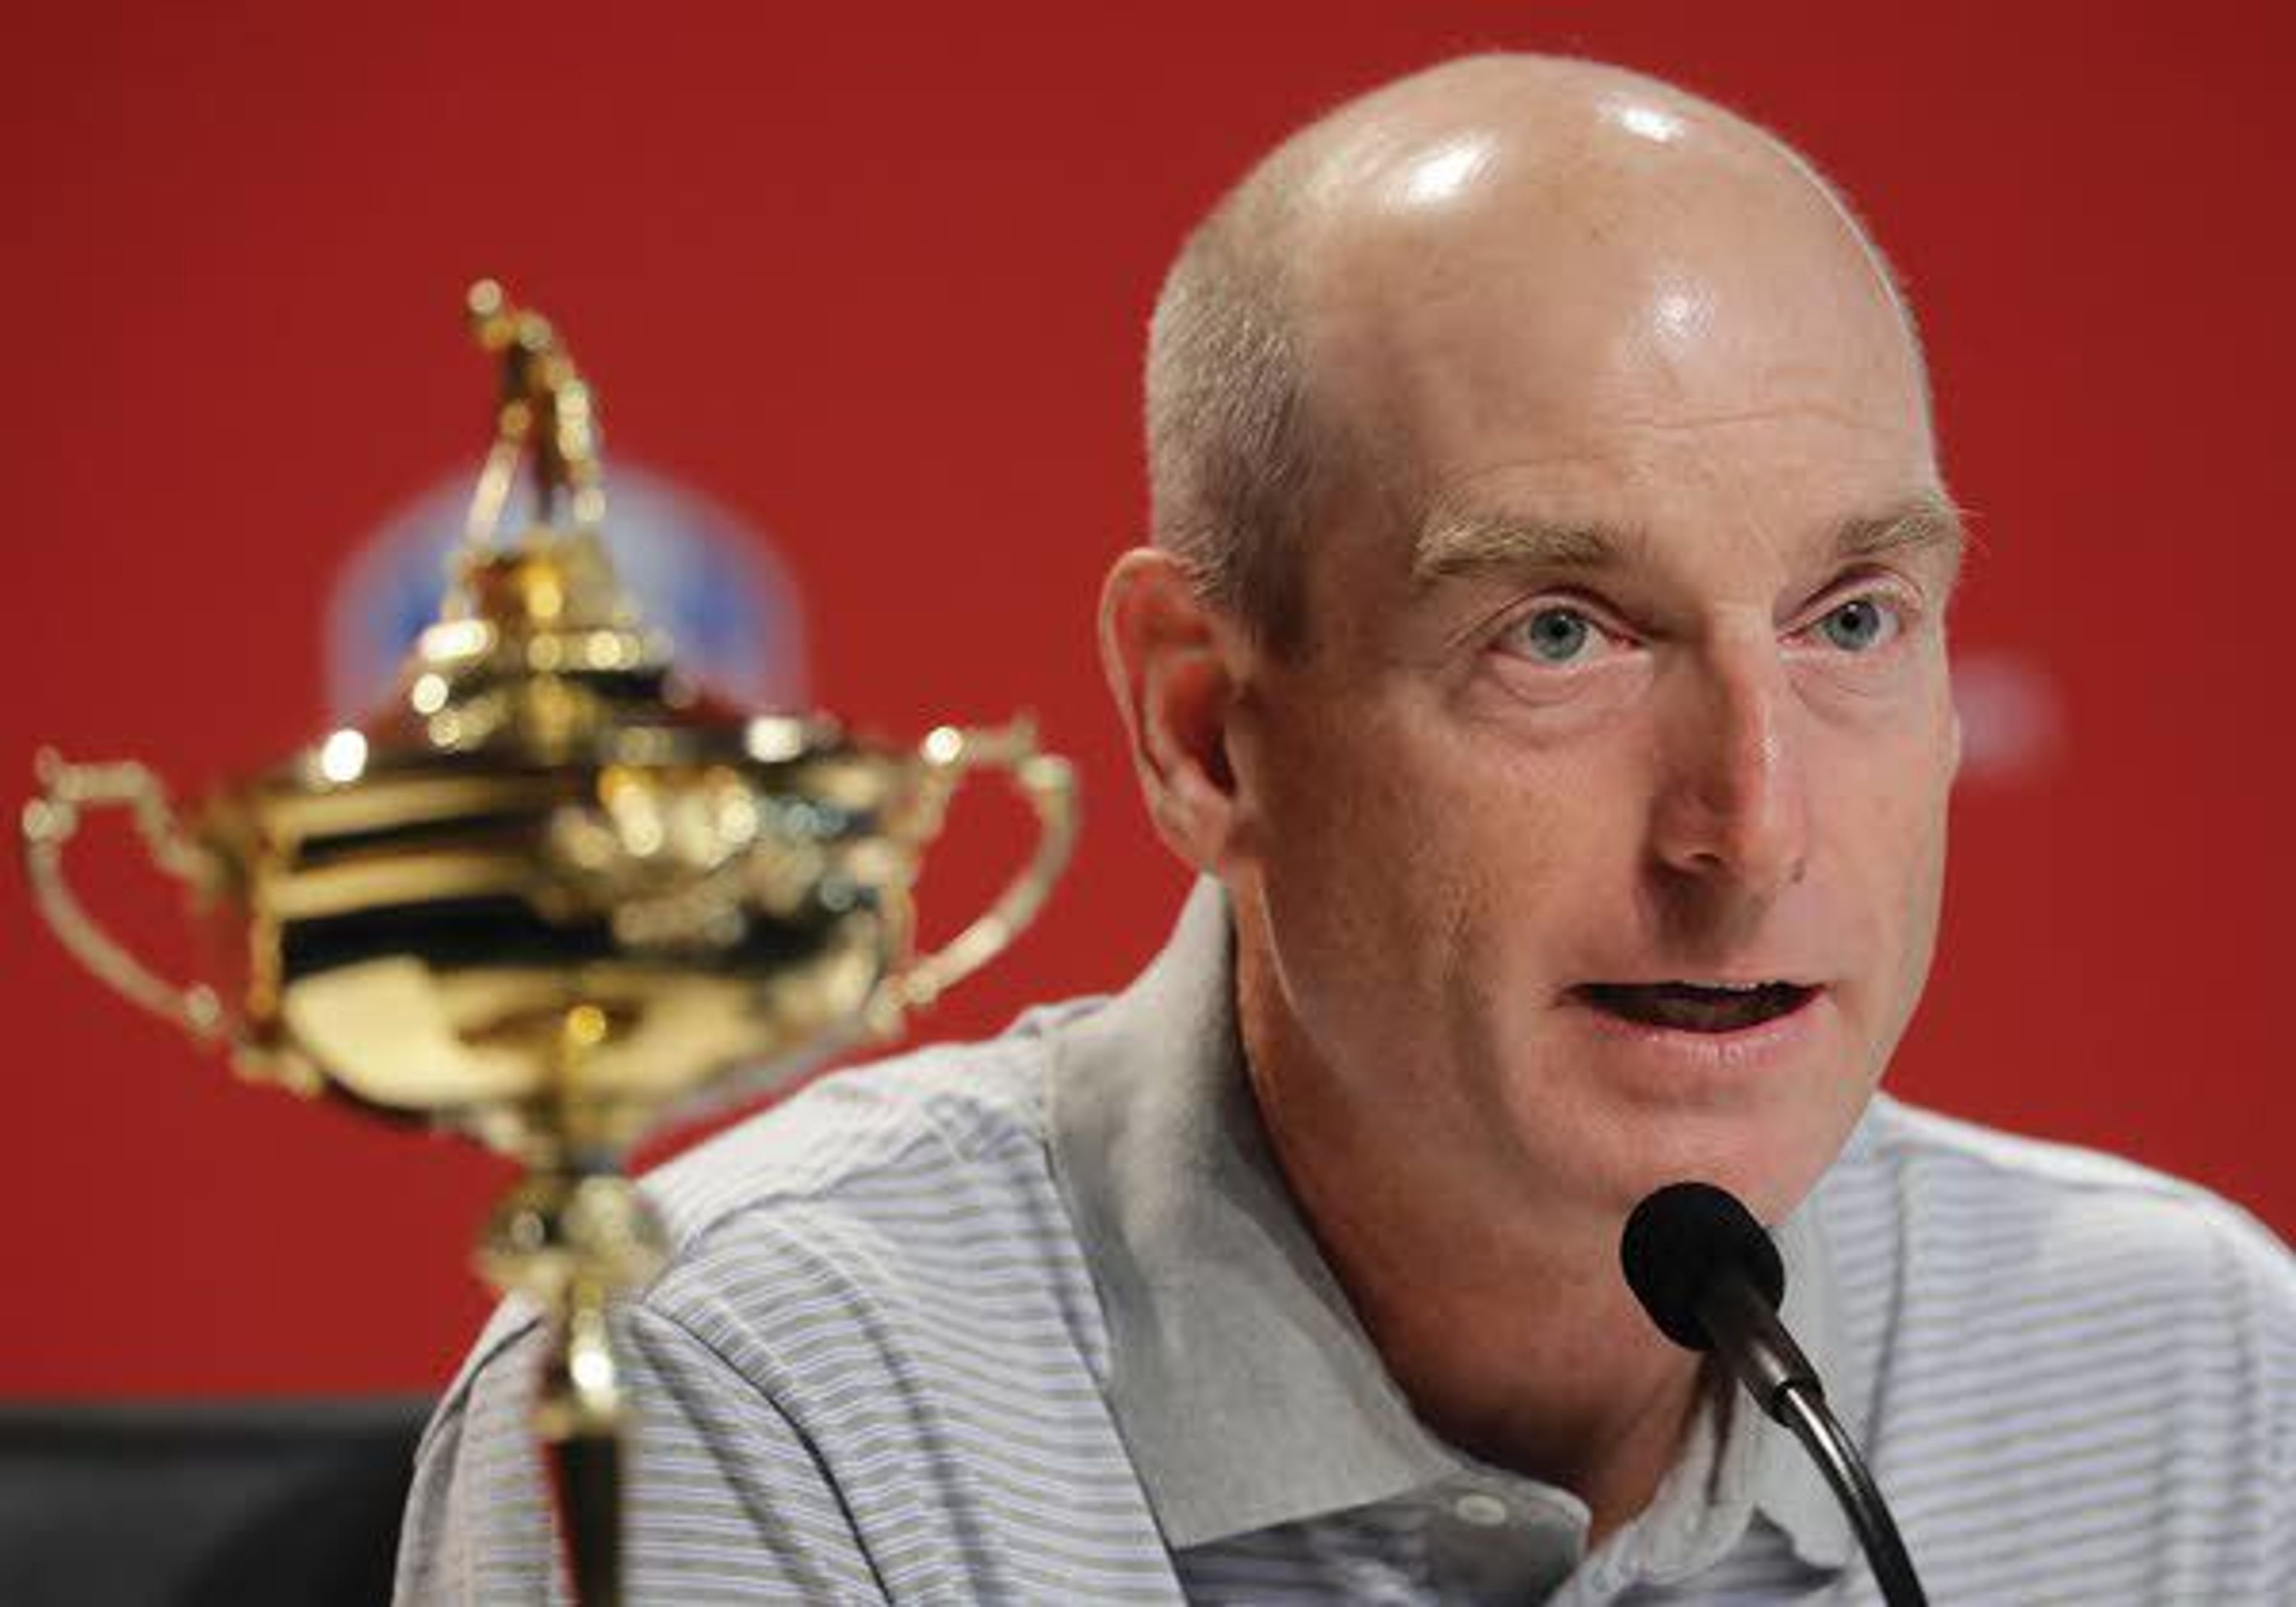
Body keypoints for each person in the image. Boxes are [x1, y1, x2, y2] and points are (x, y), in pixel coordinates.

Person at [395, 54, 2295, 1604]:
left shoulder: (2189, 1383)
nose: (1753, 832)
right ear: (1208, 732)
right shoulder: (765, 1406)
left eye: (1852, 621)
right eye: (1560, 634)